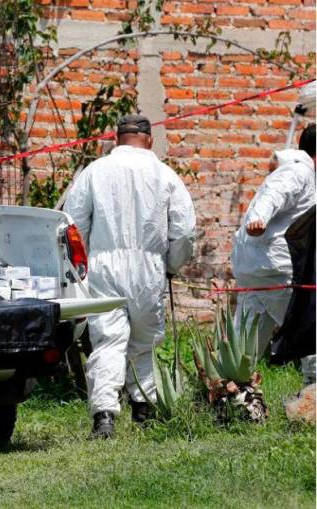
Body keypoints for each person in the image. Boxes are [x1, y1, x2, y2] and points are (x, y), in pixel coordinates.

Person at [63, 114, 196, 438]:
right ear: (149, 140)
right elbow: (184, 230)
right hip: (149, 267)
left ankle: (105, 416)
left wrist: (83, 264)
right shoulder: (164, 174)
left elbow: (74, 222)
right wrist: (171, 266)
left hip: (104, 265)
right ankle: (144, 407)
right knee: (145, 342)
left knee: (107, 340)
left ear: (116, 139)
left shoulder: (95, 171)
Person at [231, 123, 316, 363]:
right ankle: (313, 391)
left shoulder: (303, 173)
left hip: (259, 268)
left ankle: (228, 394)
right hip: (276, 270)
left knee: (244, 348)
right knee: (309, 330)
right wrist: (259, 218)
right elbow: (274, 194)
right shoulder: (299, 172)